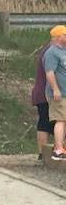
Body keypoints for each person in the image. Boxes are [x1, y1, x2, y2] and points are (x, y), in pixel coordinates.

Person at [43, 25, 66, 160]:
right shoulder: (51, 53)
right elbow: (50, 73)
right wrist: (56, 89)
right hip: (59, 93)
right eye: (65, 35)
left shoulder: (64, 50)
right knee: (60, 119)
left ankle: (62, 146)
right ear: (58, 37)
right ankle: (58, 149)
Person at [31, 39, 54, 161]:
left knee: (44, 122)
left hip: (43, 92)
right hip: (48, 93)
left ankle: (43, 153)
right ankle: (44, 154)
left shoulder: (49, 50)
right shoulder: (53, 51)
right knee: (46, 122)